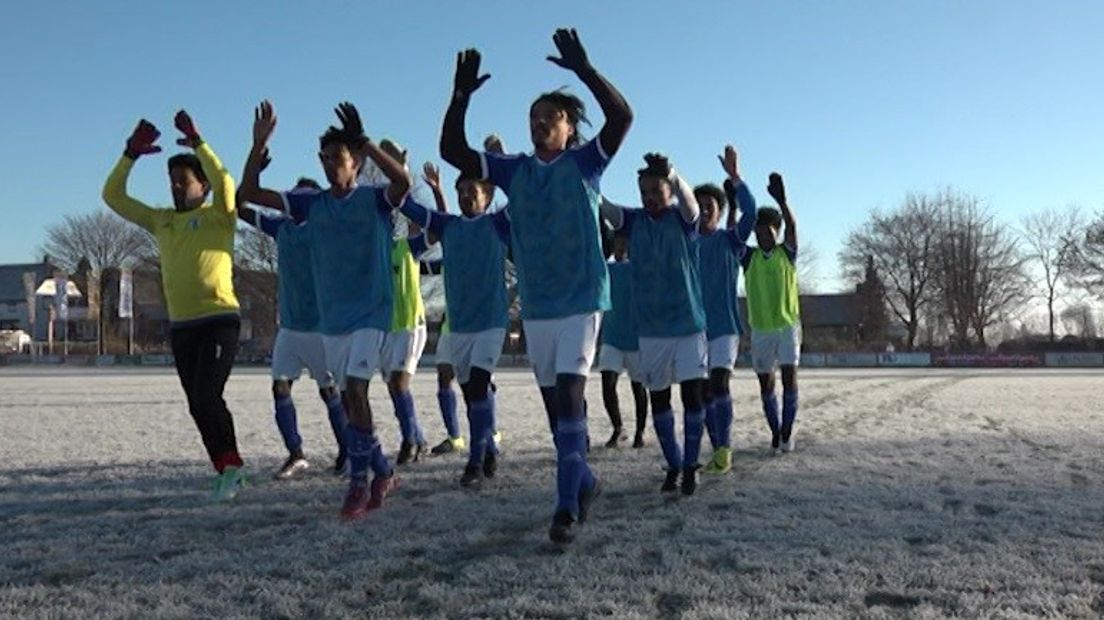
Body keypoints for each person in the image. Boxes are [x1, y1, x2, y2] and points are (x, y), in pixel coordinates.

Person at [440, 28, 633, 544]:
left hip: (583, 300)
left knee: (571, 396)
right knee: (558, 416)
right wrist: (460, 97)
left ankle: (565, 509)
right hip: (539, 307)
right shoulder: (513, 171)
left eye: (551, 117)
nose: (540, 123)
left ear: (570, 129)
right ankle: (584, 480)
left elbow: (622, 118)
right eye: (533, 118)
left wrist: (586, 71)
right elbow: (451, 148)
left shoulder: (585, 163)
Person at [239, 101, 411, 519]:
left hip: (372, 313)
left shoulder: (374, 200)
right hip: (331, 321)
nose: (334, 164)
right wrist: (258, 144)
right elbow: (247, 196)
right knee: (352, 405)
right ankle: (383, 469)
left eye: (341, 158)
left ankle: (358, 483)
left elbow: (402, 181)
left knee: (355, 390)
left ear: (356, 165)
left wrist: (367, 142)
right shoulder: (309, 205)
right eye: (327, 158)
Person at [102, 111, 246, 500]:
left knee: (207, 395)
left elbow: (227, 181)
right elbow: (112, 196)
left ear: (203, 186)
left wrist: (199, 141)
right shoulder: (162, 220)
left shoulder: (219, 216)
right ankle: (225, 467)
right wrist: (129, 154)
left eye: (184, 181)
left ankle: (232, 468)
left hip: (219, 319)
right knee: (196, 405)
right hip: (182, 326)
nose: (176, 188)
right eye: (172, 182)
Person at [400, 156, 510, 488]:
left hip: (491, 322)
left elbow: (522, 195)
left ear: (486, 196)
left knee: (478, 385)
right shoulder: (448, 226)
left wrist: (500, 159)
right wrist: (400, 173)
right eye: (460, 191)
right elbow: (408, 207)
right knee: (471, 393)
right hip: (459, 326)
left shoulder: (498, 224)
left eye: (471, 191)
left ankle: (474, 462)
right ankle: (488, 445)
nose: (465, 197)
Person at [602, 154, 707, 496]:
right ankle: (673, 464)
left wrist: (674, 174)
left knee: (692, 397)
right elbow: (605, 208)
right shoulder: (634, 222)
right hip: (650, 330)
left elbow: (691, 203)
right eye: (643, 191)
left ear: (669, 192)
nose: (649, 198)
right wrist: (584, 177)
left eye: (655, 190)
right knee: (659, 399)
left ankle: (691, 465)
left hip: (688, 324)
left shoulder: (683, 219)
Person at [237, 170, 350, 480]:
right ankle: (296, 453)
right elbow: (240, 205)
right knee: (279, 387)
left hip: (321, 327)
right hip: (289, 326)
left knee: (329, 392)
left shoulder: (327, 227)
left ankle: (347, 450)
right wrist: (255, 172)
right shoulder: (280, 228)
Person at [695, 146, 756, 475]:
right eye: (699, 206)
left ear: (719, 212)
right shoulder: (686, 243)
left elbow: (751, 213)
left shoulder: (730, 241)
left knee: (719, 384)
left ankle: (725, 448)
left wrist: (736, 178)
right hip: (693, 328)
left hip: (724, 328)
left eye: (710, 206)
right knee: (701, 392)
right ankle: (716, 448)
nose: (705, 211)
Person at [743, 173, 801, 454]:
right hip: (761, 329)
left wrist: (782, 201)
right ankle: (775, 431)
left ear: (776, 232)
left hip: (787, 326)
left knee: (790, 377)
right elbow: (734, 233)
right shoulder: (748, 257)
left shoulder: (786, 254)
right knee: (766, 383)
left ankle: (788, 431)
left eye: (769, 231)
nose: (764, 236)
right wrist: (733, 204)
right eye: (759, 232)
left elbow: (792, 225)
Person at [595, 231, 648, 448]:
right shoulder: (605, 269)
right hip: (612, 337)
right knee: (607, 384)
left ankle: (640, 432)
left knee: (639, 388)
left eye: (624, 242)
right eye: (617, 243)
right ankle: (618, 428)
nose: (621, 247)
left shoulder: (639, 269)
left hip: (636, 338)